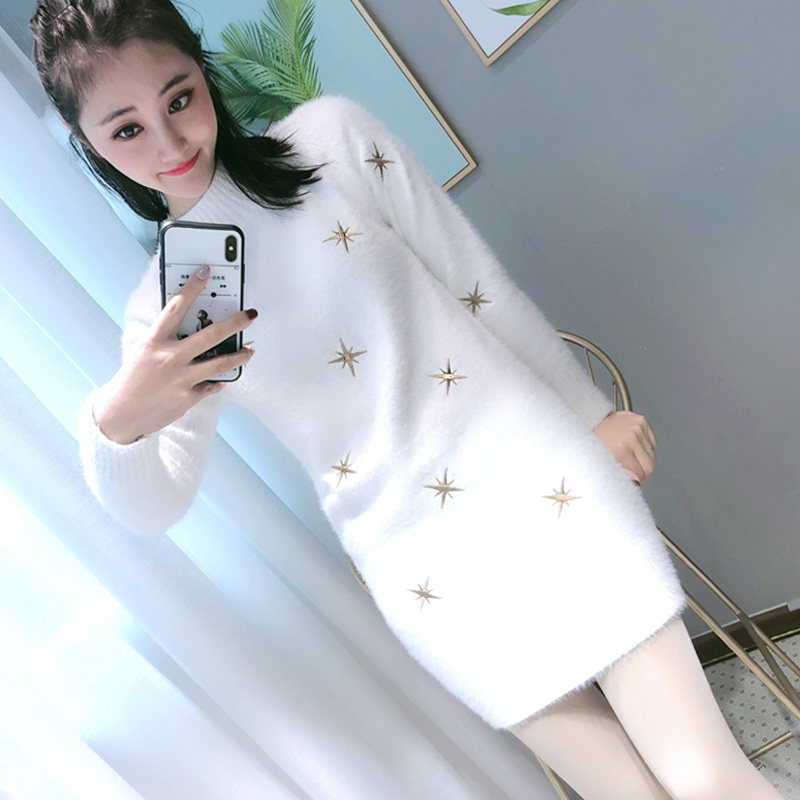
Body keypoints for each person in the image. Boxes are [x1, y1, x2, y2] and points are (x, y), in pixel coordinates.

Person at [30, 1, 786, 798]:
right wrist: (116, 422)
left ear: (202, 72)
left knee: (706, 779)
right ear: (87, 143)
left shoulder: (328, 141)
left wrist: (589, 414)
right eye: (127, 130)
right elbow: (154, 506)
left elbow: (476, 286)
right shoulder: (177, 301)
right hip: (427, 573)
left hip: (541, 478)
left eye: (179, 98)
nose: (170, 143)